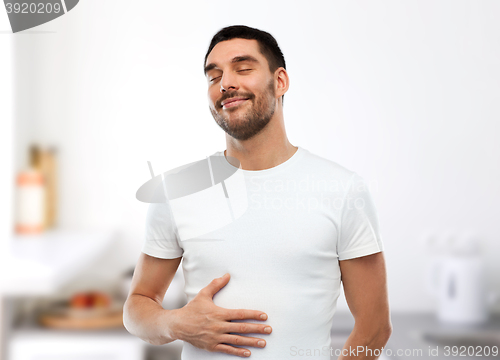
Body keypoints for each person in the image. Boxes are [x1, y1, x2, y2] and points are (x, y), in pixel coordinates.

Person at [123, 25, 392, 359]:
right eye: (213, 76)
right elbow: (137, 308)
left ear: (280, 81)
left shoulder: (341, 189)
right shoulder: (176, 190)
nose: (226, 83)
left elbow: (375, 325)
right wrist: (177, 323)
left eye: (243, 68)